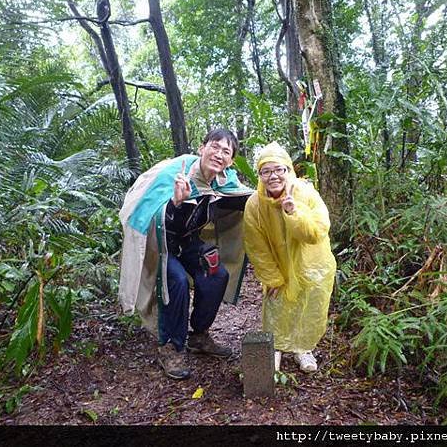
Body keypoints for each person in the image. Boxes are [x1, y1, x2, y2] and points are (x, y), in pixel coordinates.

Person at [118, 129, 252, 379]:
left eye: (226, 151)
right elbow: (150, 213)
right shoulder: (176, 173)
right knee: (176, 281)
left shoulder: (224, 180)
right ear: (202, 148)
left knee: (217, 274)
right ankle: (171, 345)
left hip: (189, 242)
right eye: (215, 146)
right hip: (160, 243)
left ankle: (199, 335)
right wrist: (175, 203)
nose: (219, 154)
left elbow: (246, 198)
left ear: (231, 161)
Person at [243, 142, 336, 373]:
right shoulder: (254, 204)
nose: (273, 176)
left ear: (288, 170)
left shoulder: (306, 193)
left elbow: (316, 233)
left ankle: (302, 348)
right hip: (278, 264)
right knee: (276, 305)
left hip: (311, 264)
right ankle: (275, 347)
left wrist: (294, 212)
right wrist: (272, 277)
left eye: (278, 169)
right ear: (260, 175)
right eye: (266, 171)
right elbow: (257, 247)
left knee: (306, 305)